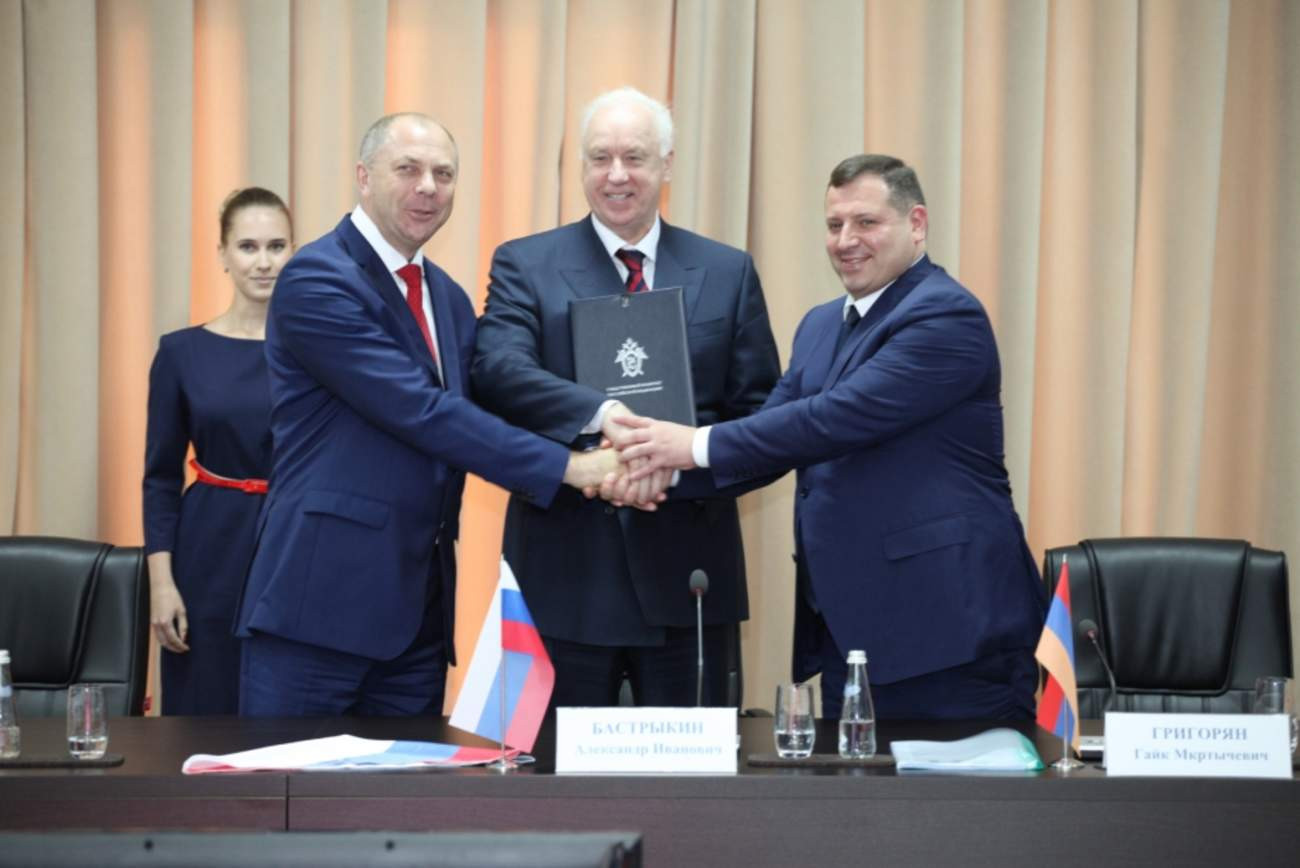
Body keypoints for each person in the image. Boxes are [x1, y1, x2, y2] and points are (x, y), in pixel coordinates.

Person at [613, 154, 1048, 720]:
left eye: (867, 222)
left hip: (950, 628)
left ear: (916, 224)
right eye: (835, 224)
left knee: (950, 782)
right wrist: (651, 477)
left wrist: (688, 445)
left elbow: (832, 420)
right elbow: (770, 441)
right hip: (853, 632)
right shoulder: (821, 324)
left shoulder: (946, 315)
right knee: (852, 779)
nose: (846, 241)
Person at [234, 113, 617, 717]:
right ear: (363, 177)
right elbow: (421, 411)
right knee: (292, 780)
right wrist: (569, 468)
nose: (429, 188)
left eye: (444, 174)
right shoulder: (316, 278)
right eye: (408, 169)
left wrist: (600, 423)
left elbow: (490, 400)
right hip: (318, 611)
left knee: (410, 783)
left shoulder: (448, 298)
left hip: (417, 620)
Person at [471, 87, 781, 708]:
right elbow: (497, 372)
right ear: (580, 167)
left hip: (692, 580)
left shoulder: (727, 271)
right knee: (548, 767)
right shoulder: (525, 264)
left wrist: (671, 466)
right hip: (564, 580)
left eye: (634, 157)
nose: (616, 175)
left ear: (667, 164)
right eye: (600, 158)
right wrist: (601, 416)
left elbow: (764, 421)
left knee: (694, 772)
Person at [143, 187, 292, 714]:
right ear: (223, 254)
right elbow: (160, 479)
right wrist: (161, 585)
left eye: (276, 246)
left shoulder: (320, 356)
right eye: (248, 247)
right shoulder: (181, 353)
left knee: (291, 719)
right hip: (208, 548)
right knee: (204, 708)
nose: (263, 262)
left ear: (294, 252)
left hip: (295, 544)